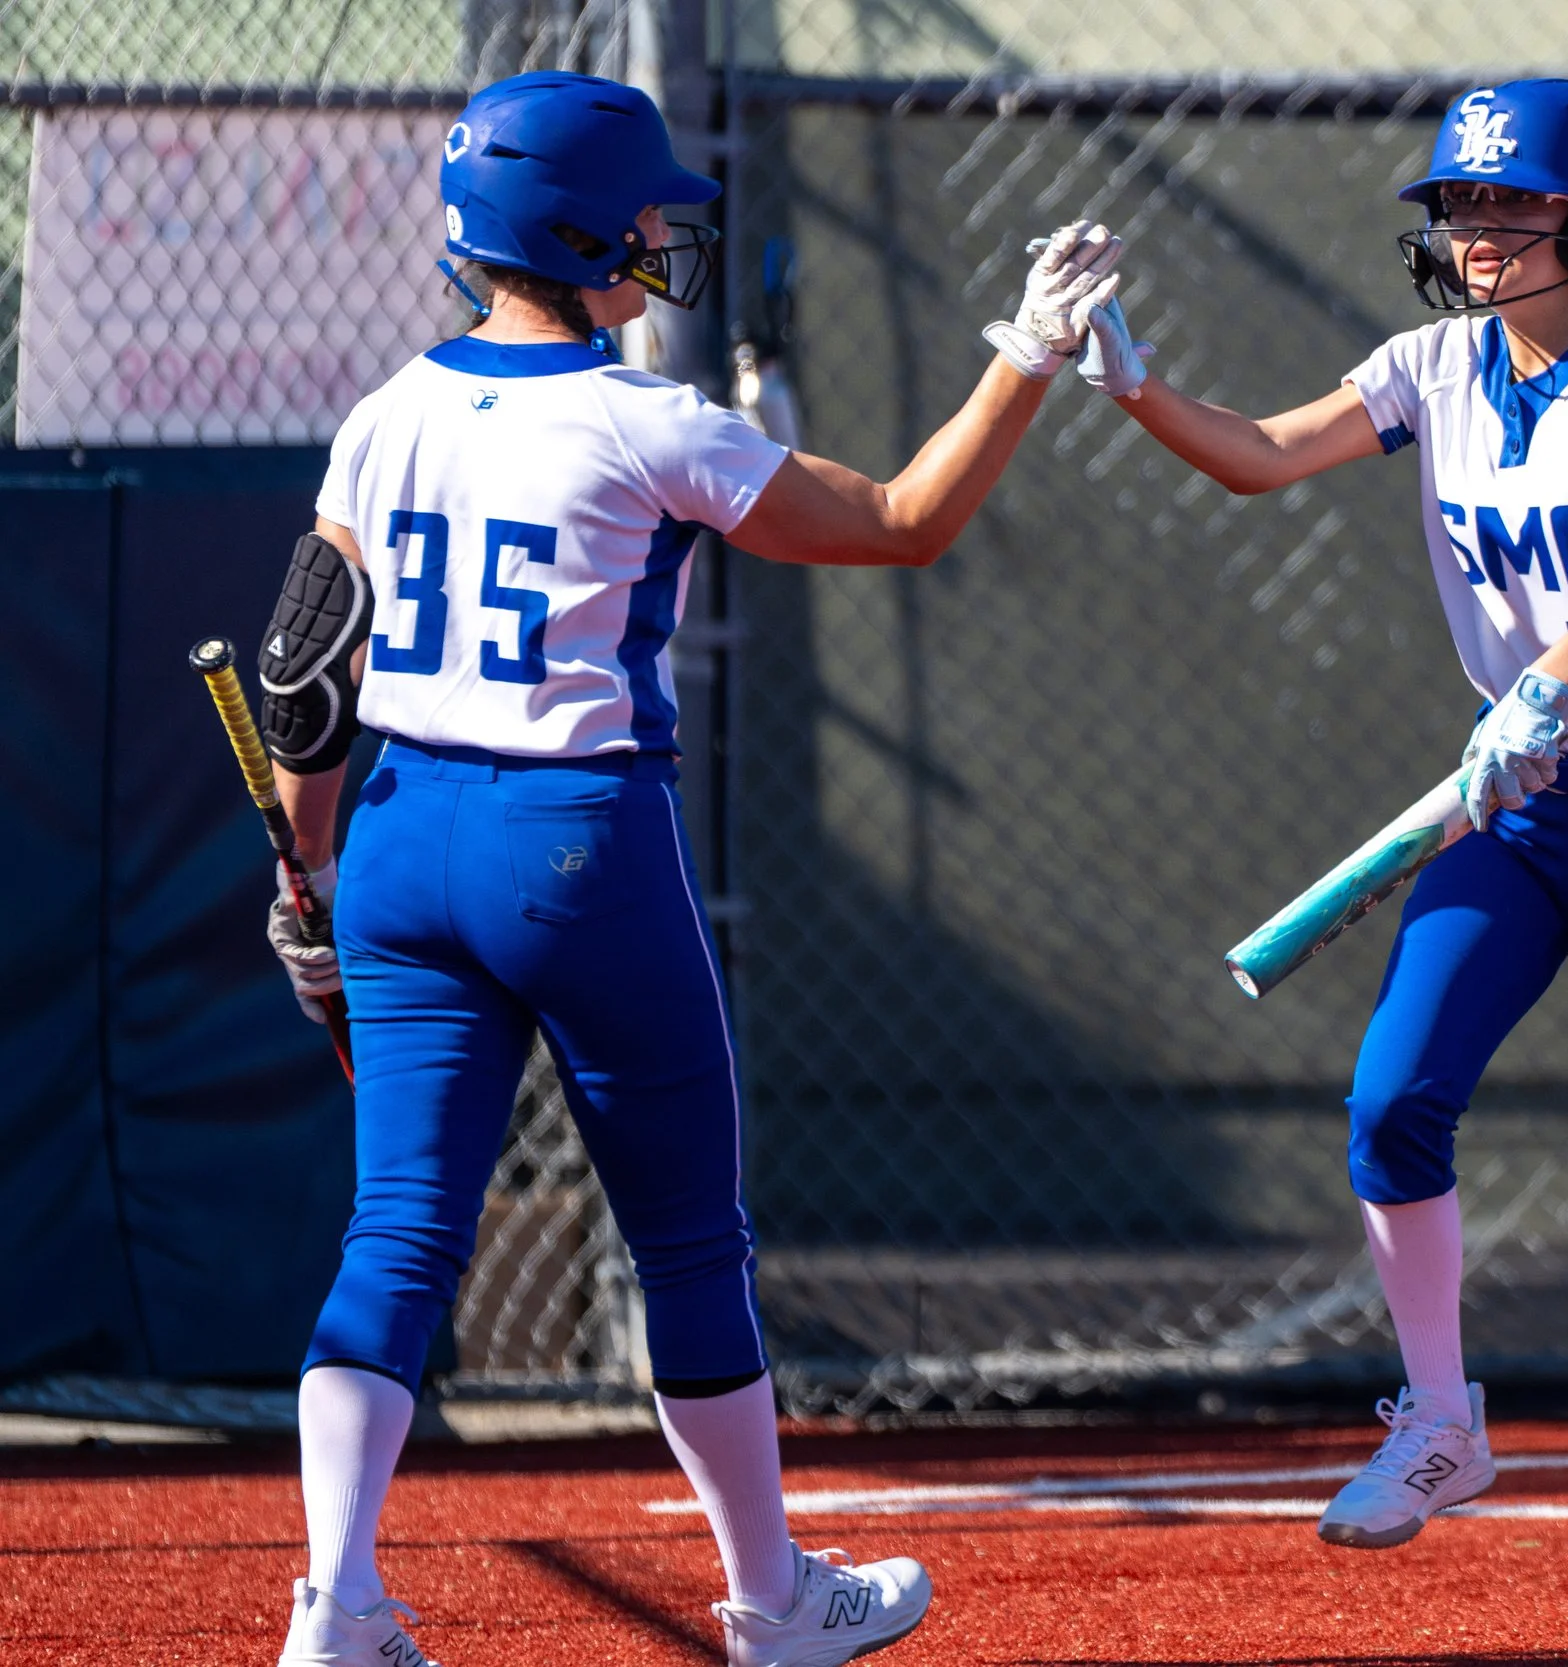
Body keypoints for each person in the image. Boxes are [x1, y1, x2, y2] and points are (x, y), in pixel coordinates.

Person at [253, 70, 1120, 1667]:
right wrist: (1028, 351)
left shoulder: (384, 413)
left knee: (394, 1237)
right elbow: (907, 520)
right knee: (691, 1243)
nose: (660, 230)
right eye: (641, 211)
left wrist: (302, 881)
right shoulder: (645, 414)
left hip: (394, 836)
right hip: (576, 841)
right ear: (574, 224)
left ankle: (335, 1607)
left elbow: (308, 675)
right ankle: (774, 1601)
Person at [1071, 79, 1568, 1641]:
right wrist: (1134, 385)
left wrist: (1549, 680)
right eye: (1455, 207)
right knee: (1394, 1097)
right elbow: (1264, 454)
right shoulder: (1433, 363)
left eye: (1503, 207)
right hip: (1516, 808)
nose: (1467, 234)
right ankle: (1444, 1416)